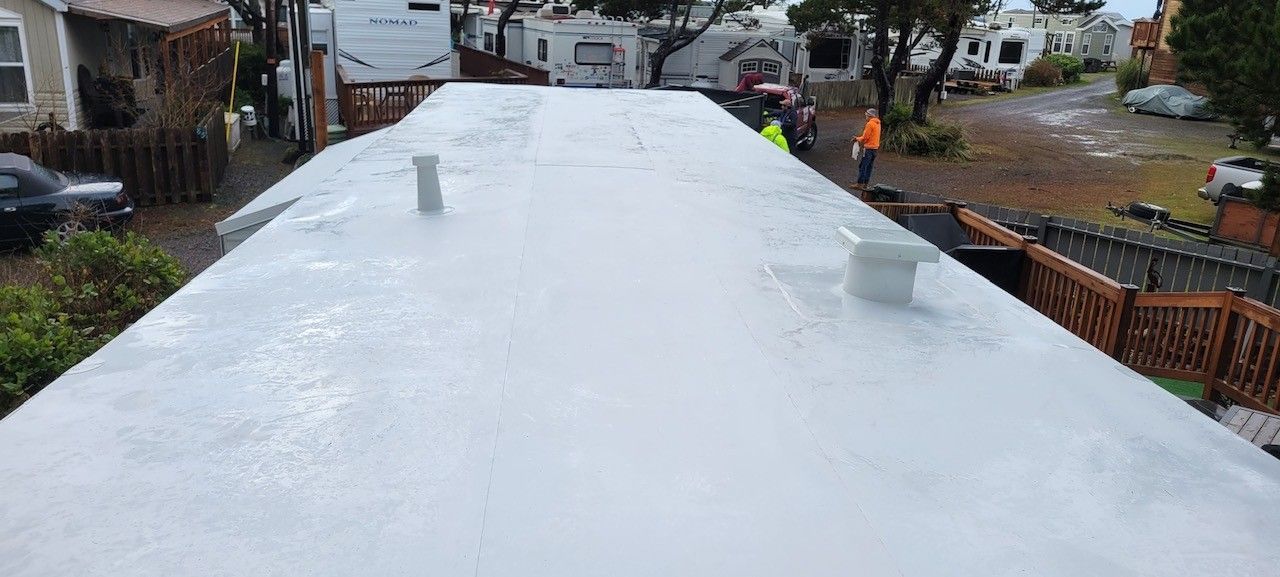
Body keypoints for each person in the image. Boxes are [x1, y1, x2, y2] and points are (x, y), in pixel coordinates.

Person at [850, 108, 881, 190]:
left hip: (868, 148)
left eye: (866, 115)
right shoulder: (878, 123)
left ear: (870, 116)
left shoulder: (870, 124)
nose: (865, 117)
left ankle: (860, 183)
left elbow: (865, 137)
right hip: (875, 148)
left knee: (863, 166)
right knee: (869, 166)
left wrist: (857, 139)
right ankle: (866, 183)